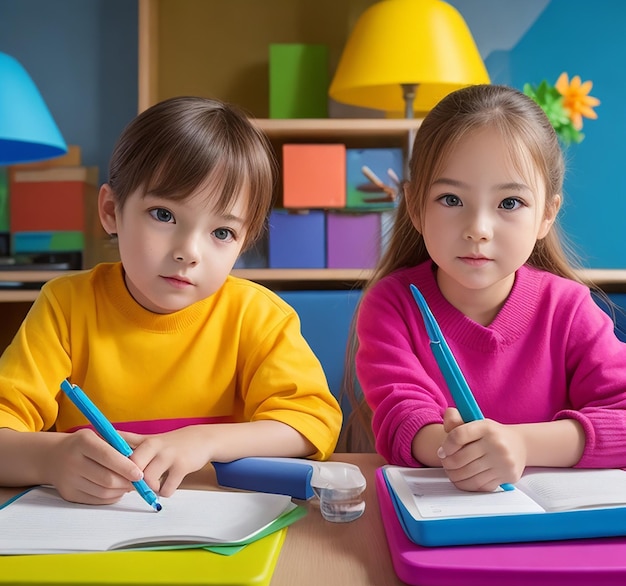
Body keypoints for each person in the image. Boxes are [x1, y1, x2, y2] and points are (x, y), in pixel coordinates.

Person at [0, 96, 342, 505]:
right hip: (88, 534)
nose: (189, 252)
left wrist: (204, 441)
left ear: (243, 243)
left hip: (216, 531)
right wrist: (51, 460)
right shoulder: (65, 306)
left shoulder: (257, 315)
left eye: (222, 233)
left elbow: (312, 423)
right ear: (111, 211)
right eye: (164, 215)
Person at [353, 84, 626, 492]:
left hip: (554, 534)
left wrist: (521, 445)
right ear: (414, 206)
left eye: (510, 203)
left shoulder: (568, 307)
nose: (478, 229)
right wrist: (463, 452)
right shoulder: (392, 304)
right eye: (450, 199)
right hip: (442, 516)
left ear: (547, 215)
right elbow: (402, 420)